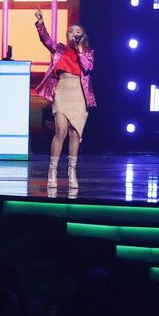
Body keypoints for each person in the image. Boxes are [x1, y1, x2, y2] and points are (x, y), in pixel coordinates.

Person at [32, 10, 96, 187]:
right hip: (62, 90)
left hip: (79, 94)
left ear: (82, 35)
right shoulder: (60, 49)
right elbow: (46, 40)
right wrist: (40, 23)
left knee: (75, 133)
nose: (73, 32)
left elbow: (87, 67)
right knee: (60, 130)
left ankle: (71, 171)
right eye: (70, 31)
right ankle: (52, 170)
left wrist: (80, 48)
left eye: (77, 31)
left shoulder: (88, 53)